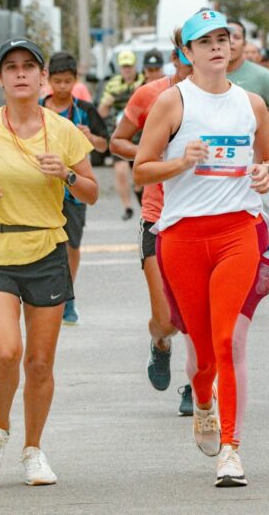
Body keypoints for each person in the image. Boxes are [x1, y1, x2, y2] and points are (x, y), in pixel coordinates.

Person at [133, 9, 269, 488]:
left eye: (223, 39)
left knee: (225, 340)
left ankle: (232, 451)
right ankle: (202, 401)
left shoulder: (252, 103)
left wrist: (266, 173)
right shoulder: (172, 102)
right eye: (205, 41)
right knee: (201, 348)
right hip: (182, 238)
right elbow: (141, 169)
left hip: (238, 231)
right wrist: (180, 163)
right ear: (187, 53)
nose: (218, 46)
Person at [0, 37, 98, 486]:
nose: (19, 74)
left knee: (38, 363)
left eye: (28, 66)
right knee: (5, 350)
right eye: (10, 67)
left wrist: (66, 174)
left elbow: (91, 189)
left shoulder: (63, 130)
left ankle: (33, 449)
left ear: (41, 78)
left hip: (47, 251)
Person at [110, 39, 195, 416]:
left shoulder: (226, 98)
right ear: (178, 57)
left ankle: (196, 387)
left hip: (204, 216)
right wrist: (155, 153)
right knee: (168, 319)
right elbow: (117, 142)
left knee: (200, 316)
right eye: (190, 55)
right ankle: (160, 344)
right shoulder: (151, 95)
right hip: (159, 216)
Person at [40, 51, 108, 325]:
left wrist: (91, 137)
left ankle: (68, 296)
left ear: (75, 80)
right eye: (57, 81)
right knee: (46, 241)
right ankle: (47, 294)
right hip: (42, 188)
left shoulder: (85, 110)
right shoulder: (37, 109)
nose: (62, 87)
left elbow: (106, 145)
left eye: (67, 81)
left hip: (74, 189)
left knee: (71, 244)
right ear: (48, 80)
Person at [227, 18, 269, 208]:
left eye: (236, 37)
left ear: (245, 43)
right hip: (213, 167)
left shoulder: (261, 75)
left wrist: (257, 129)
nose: (230, 41)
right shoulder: (205, 75)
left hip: (253, 168)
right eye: (224, 37)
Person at [98, 50, 145, 220]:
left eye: (129, 66)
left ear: (135, 66)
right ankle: (127, 207)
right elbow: (101, 111)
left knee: (140, 172)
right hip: (120, 132)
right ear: (120, 67)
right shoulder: (113, 84)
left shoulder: (143, 80)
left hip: (140, 133)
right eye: (124, 66)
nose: (127, 70)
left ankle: (141, 199)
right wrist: (108, 102)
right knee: (120, 171)